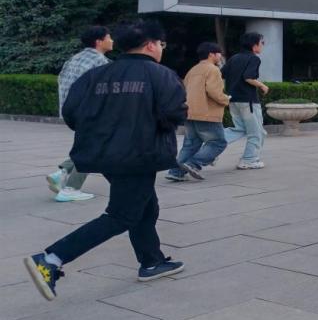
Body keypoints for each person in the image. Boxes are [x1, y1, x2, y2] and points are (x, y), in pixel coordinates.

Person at [24, 20, 187, 301]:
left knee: (145, 206)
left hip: (105, 154)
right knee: (122, 215)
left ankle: (152, 261)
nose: (162, 48)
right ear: (150, 45)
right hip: (140, 155)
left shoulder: (95, 75)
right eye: (161, 44)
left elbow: (71, 112)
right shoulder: (161, 75)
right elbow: (174, 114)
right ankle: (50, 259)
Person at [45, 26, 113, 202]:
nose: (112, 40)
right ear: (99, 41)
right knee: (94, 149)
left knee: (90, 144)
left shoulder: (75, 58)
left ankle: (62, 172)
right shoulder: (101, 62)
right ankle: (71, 188)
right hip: (91, 112)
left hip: (72, 111)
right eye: (109, 37)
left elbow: (62, 81)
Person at [165, 43, 231, 182]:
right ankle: (193, 164)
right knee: (218, 142)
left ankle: (176, 172)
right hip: (207, 113)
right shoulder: (213, 69)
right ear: (211, 54)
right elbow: (214, 91)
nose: (220, 56)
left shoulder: (193, 70)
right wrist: (226, 99)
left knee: (190, 145)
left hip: (190, 112)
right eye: (219, 53)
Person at [222, 32, 269, 169]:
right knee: (257, 132)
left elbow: (221, 74)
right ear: (254, 45)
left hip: (233, 100)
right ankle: (249, 160)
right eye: (262, 43)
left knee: (240, 129)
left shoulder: (234, 58)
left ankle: (214, 143)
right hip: (248, 101)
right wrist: (262, 85)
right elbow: (248, 77)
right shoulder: (254, 58)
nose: (263, 45)